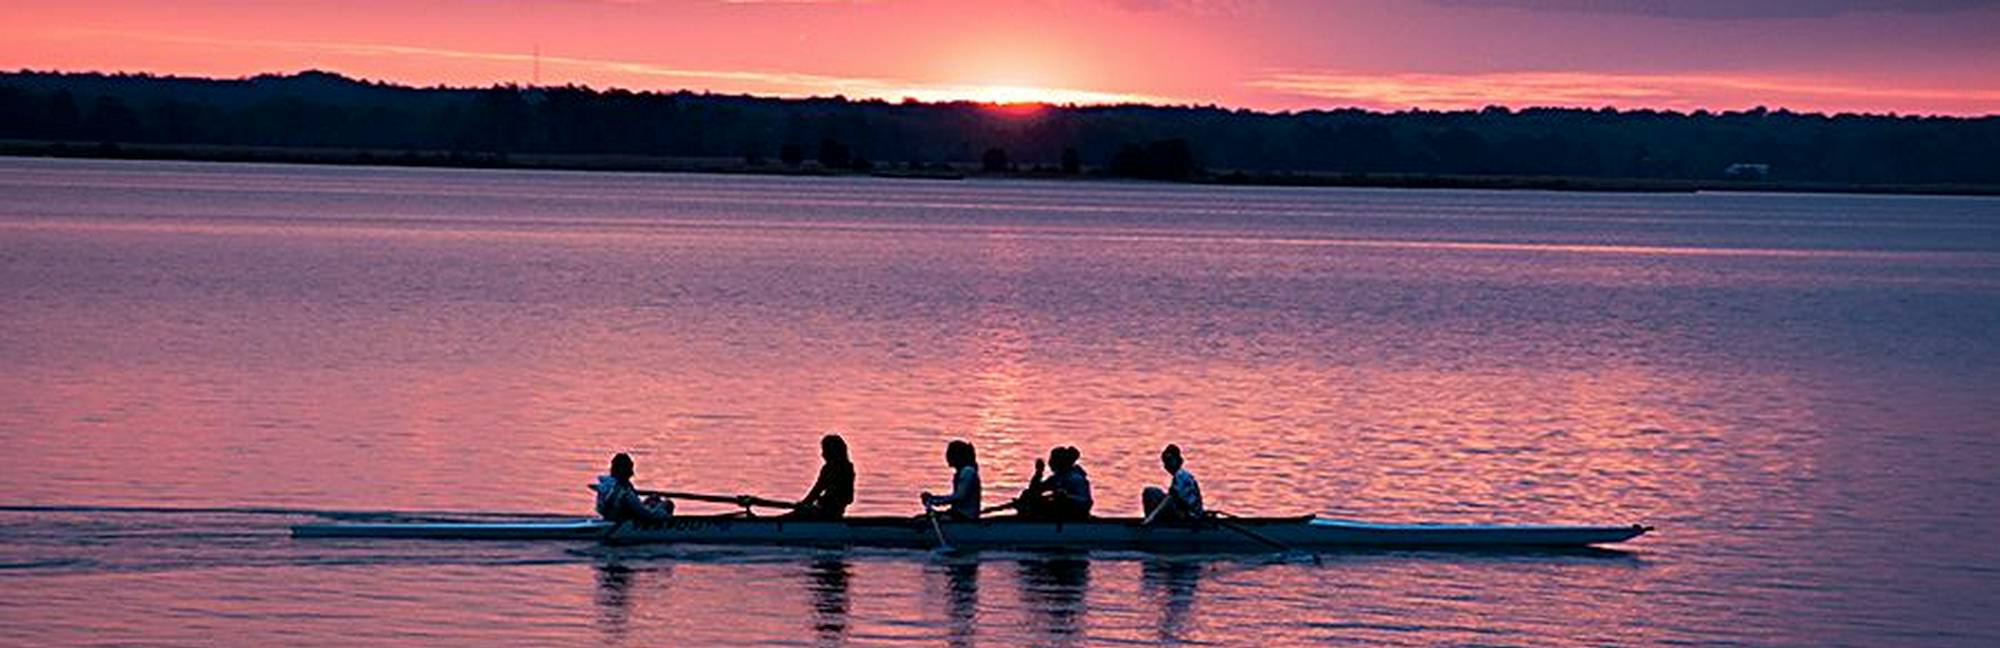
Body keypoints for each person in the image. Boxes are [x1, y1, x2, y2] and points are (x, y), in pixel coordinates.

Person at [787, 434, 856, 520]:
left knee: (788, 518)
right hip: (827, 511)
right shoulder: (847, 467)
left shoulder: (831, 469)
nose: (822, 454)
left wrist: (805, 504)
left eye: (825, 450)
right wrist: (805, 504)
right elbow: (816, 492)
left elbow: (816, 491)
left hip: (827, 513)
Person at [596, 452, 675, 525]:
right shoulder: (625, 491)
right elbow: (647, 514)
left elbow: (634, 505)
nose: (632, 473)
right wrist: (663, 510)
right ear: (623, 470)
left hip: (612, 518)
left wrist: (649, 502)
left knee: (653, 500)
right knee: (668, 504)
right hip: (624, 523)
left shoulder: (606, 486)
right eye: (630, 469)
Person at [1017, 446, 1092, 521]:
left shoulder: (1075, 478)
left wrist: (1067, 497)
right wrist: (1038, 473)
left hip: (1075, 513)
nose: (1050, 463)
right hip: (1060, 510)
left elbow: (1085, 501)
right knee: (1027, 494)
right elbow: (1035, 490)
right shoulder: (1056, 478)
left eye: (1053, 460)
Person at [1141, 444, 1203, 525]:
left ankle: (1150, 524)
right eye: (1165, 462)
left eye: (1170, 460)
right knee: (1152, 491)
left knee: (1149, 493)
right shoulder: (1181, 475)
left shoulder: (1181, 475)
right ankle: (1152, 522)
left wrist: (1152, 516)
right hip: (1186, 512)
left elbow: (1170, 498)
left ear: (1178, 460)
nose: (1167, 465)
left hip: (1188, 517)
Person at [921, 440, 982, 519]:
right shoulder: (962, 472)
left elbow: (959, 497)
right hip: (957, 513)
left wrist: (935, 501)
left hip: (964, 517)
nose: (947, 457)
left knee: (923, 520)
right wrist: (933, 498)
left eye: (949, 454)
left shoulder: (967, 472)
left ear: (958, 456)